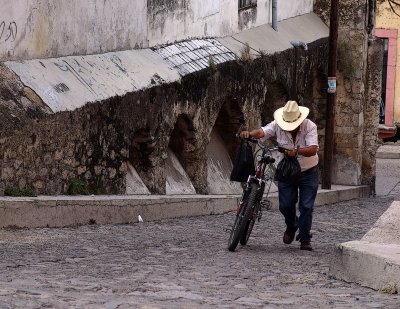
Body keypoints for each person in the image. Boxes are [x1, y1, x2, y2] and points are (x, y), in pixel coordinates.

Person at [240, 100, 319, 251]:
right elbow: (263, 132)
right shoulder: (277, 124)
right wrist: (249, 134)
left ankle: (305, 238)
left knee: (306, 206)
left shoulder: (310, 126)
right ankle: (292, 225)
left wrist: (297, 151)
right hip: (286, 170)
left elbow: (313, 149)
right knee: (285, 205)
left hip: (308, 169)